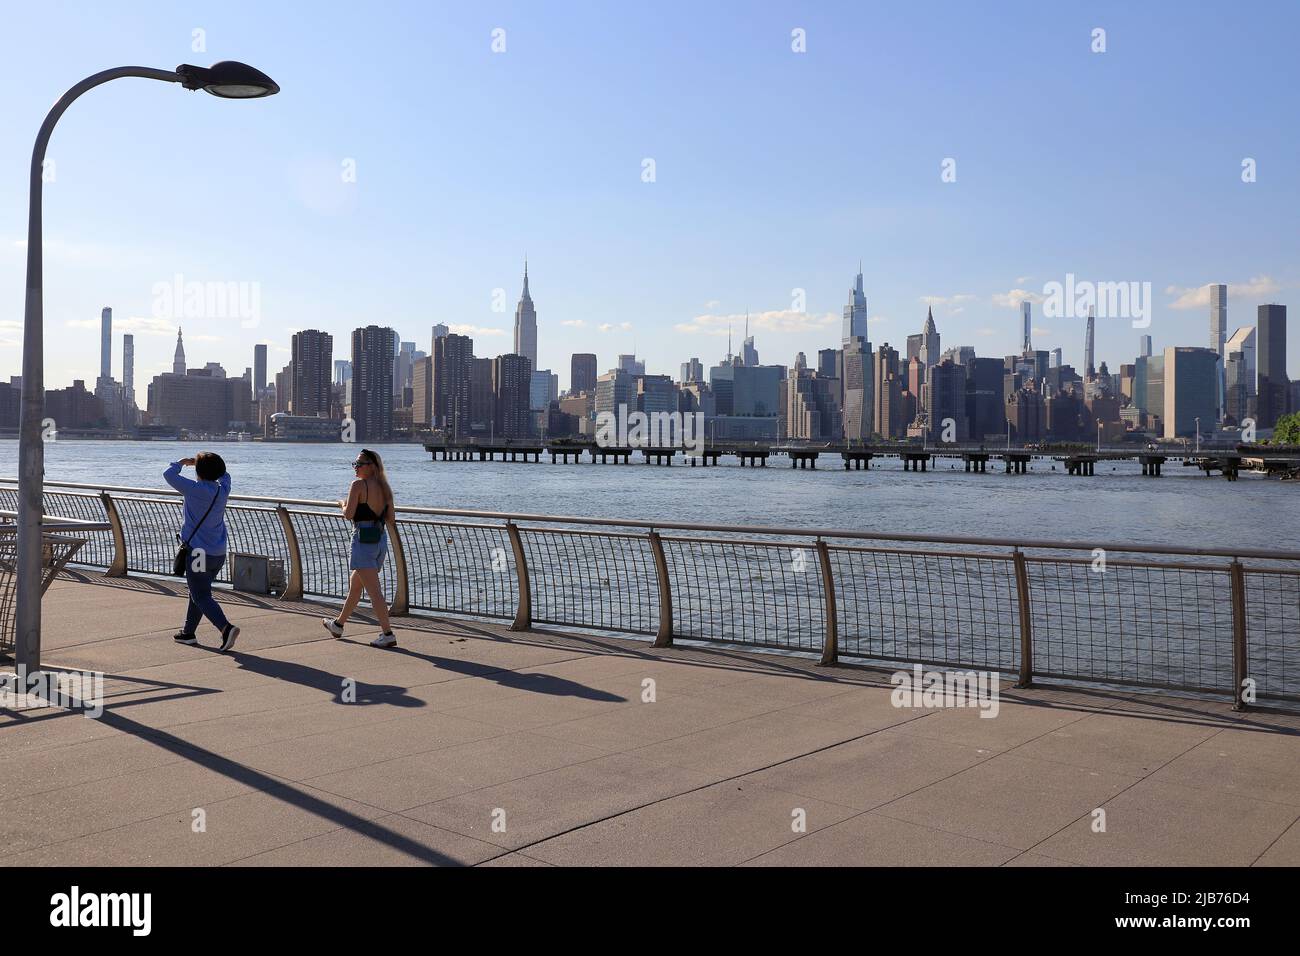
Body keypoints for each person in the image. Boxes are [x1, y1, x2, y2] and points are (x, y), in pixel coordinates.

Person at [322, 448, 398, 647]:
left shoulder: (358, 485)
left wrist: (342, 504)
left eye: (359, 464)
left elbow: (348, 515)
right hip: (380, 541)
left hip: (363, 541)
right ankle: (338, 624)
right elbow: (391, 519)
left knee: (374, 592)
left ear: (371, 467)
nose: (355, 468)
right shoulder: (385, 487)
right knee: (356, 585)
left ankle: (388, 634)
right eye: (354, 464)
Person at [164, 453, 239, 652]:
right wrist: (203, 464)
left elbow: (168, 474)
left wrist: (181, 463)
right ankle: (188, 633)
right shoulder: (223, 490)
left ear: (199, 471)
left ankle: (225, 628)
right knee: (198, 592)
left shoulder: (194, 489)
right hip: (218, 553)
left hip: (198, 553)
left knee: (201, 595)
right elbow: (225, 475)